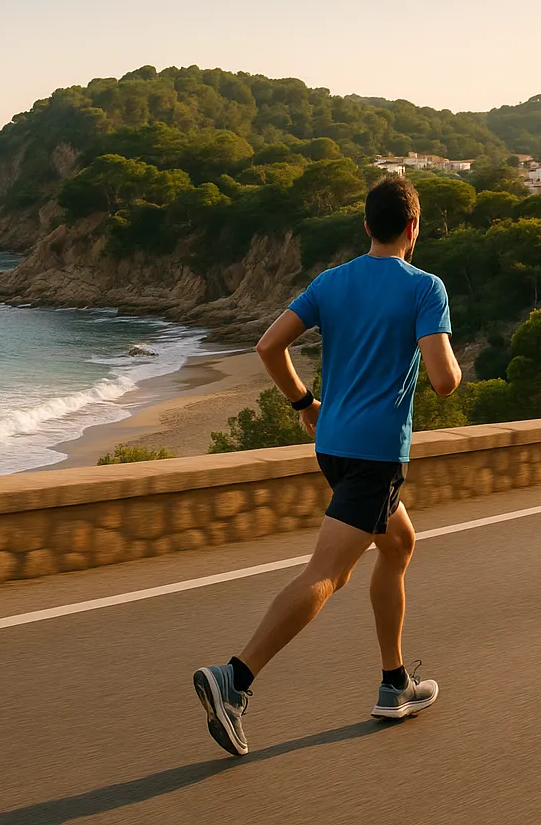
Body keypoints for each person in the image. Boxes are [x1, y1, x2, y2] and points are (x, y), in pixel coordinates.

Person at [193, 175, 462, 757]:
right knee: (329, 572)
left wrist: (304, 404)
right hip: (375, 454)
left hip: (333, 446)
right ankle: (234, 679)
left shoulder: (330, 282)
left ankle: (395, 684)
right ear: (413, 228)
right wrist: (449, 361)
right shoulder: (425, 287)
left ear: (367, 225)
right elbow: (444, 381)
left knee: (398, 544)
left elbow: (268, 346)